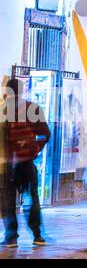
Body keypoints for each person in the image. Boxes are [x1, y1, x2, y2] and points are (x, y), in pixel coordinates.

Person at [2, 78, 50, 246]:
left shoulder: (5, 110)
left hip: (10, 163)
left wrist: (33, 149)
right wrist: (34, 149)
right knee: (30, 198)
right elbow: (45, 134)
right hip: (23, 161)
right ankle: (37, 235)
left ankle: (11, 236)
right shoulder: (31, 109)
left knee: (8, 199)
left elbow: (44, 134)